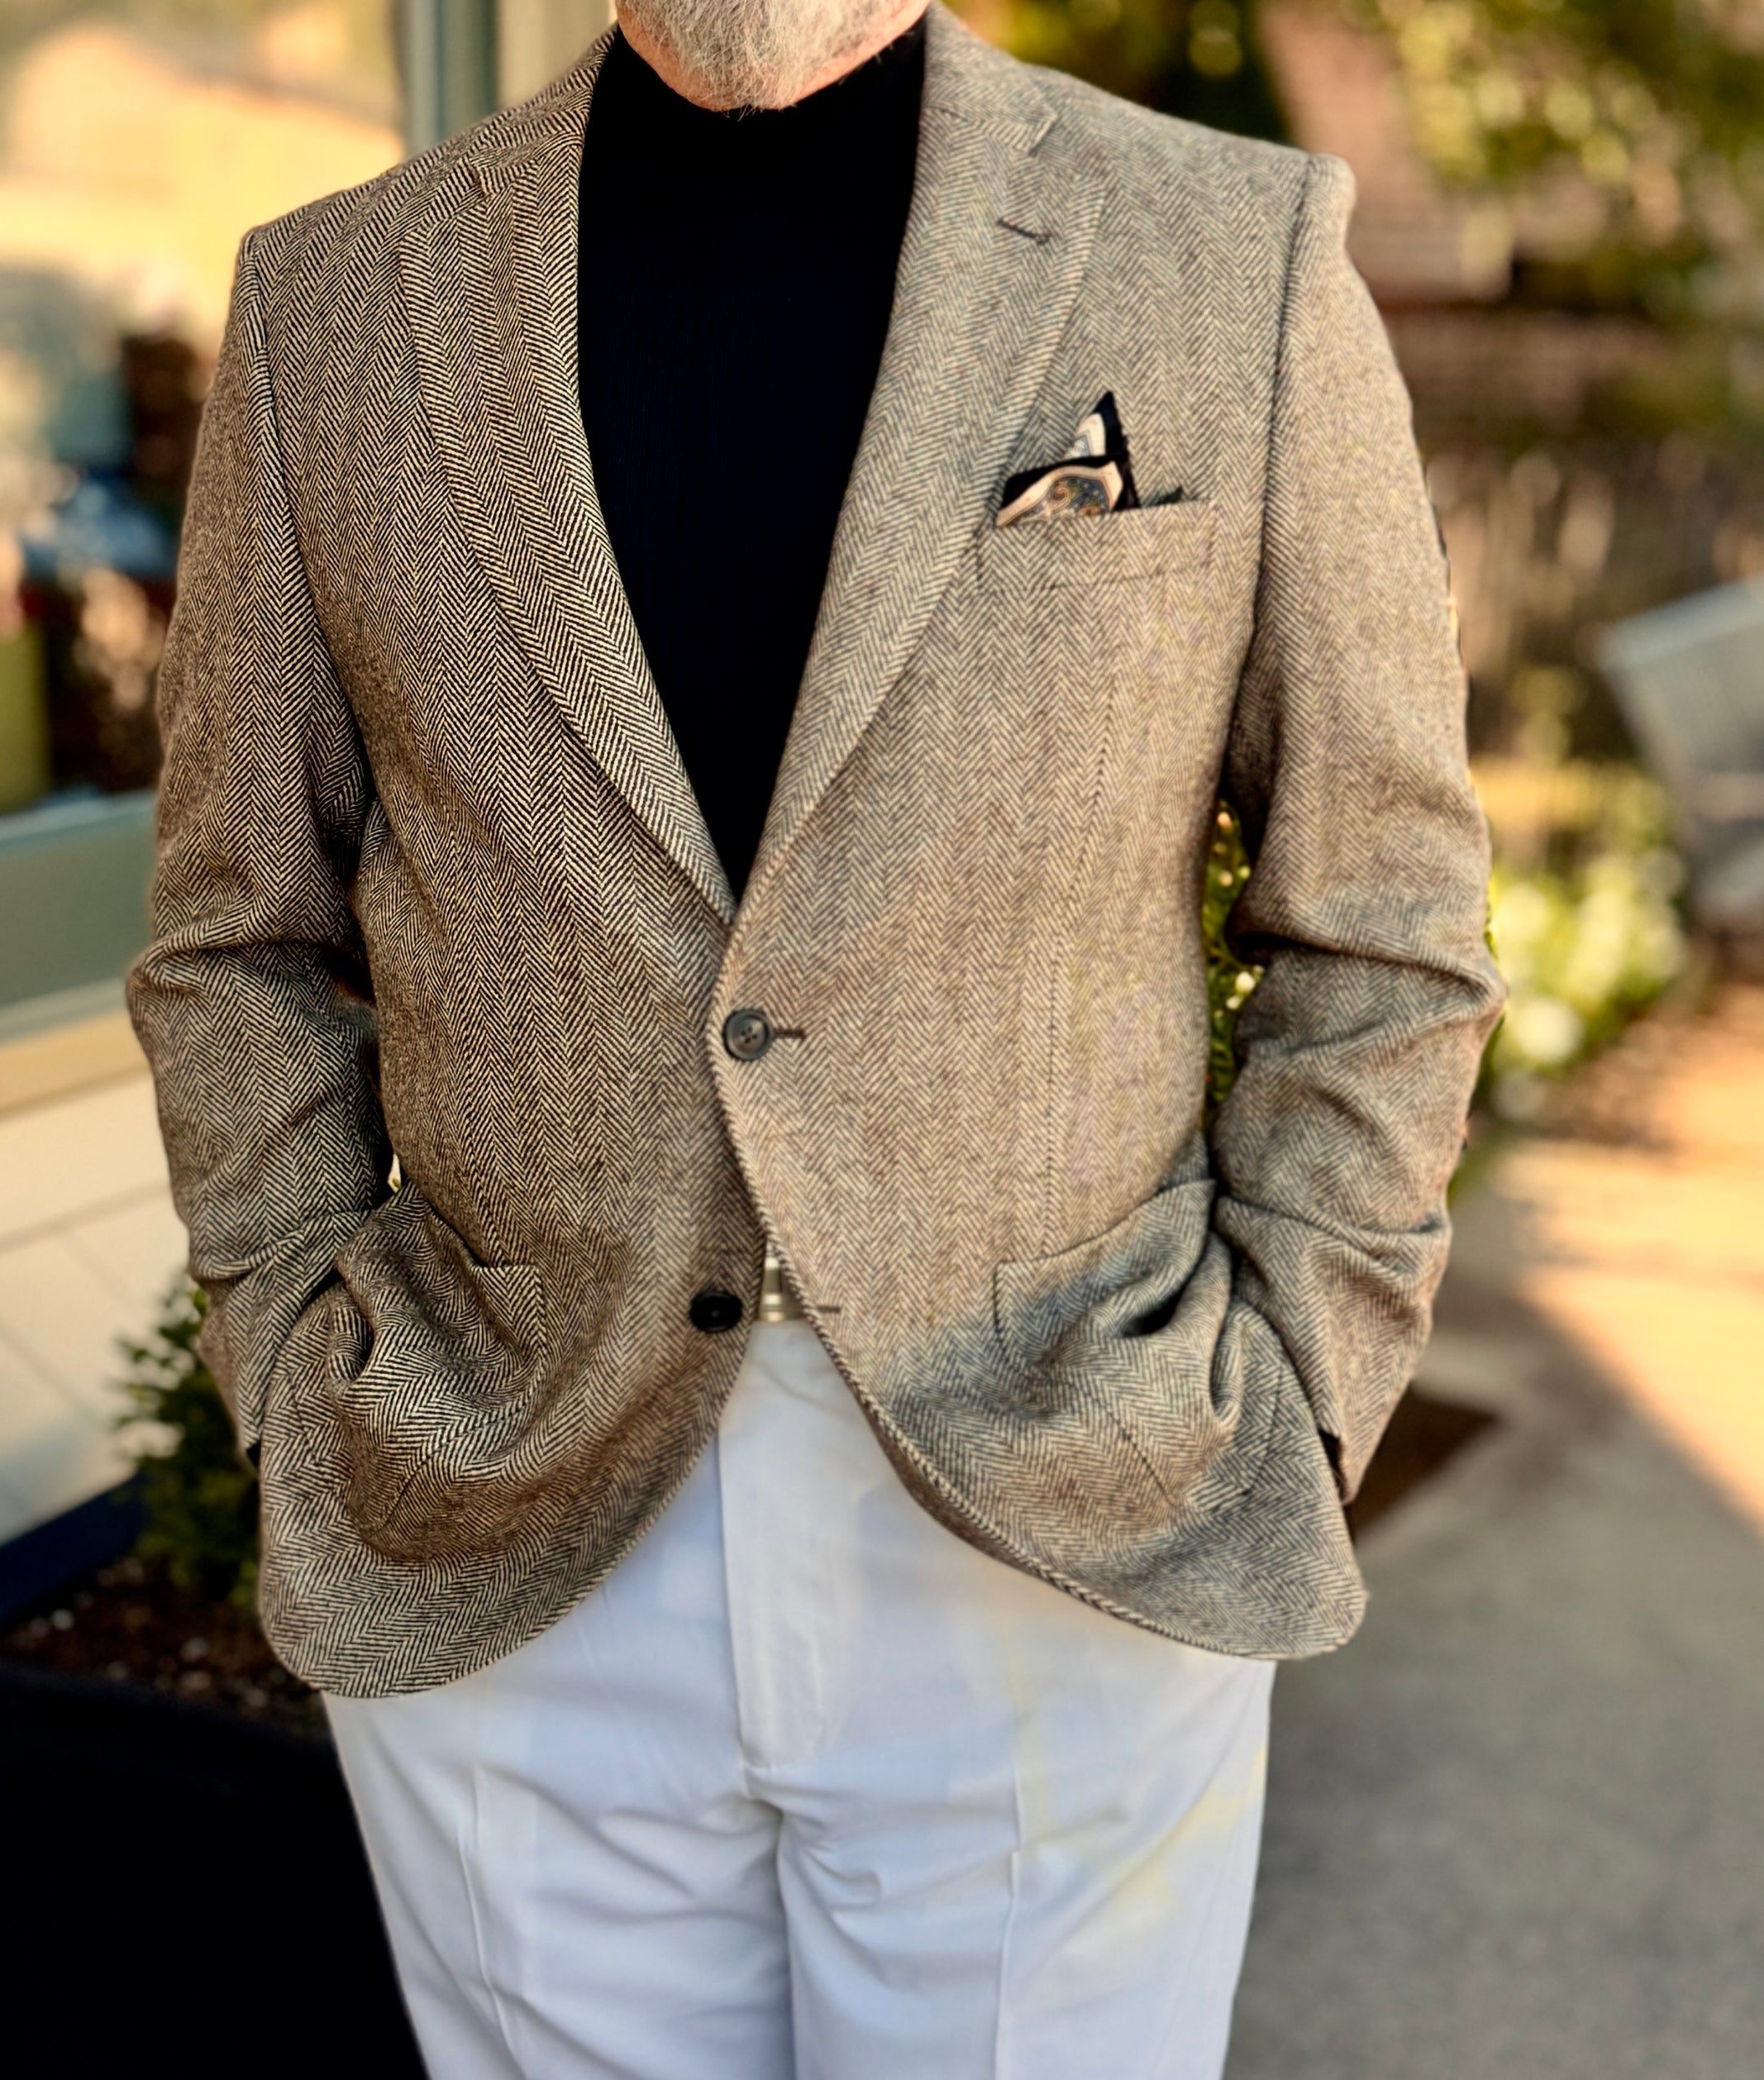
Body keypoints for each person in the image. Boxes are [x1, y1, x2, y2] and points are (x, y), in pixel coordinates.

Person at [127, 1, 1503, 2073]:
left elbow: (1381, 913)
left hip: (1069, 1491)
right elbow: (233, 927)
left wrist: (1290, 1379)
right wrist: (296, 1366)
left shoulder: (1230, 247)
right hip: (500, 1503)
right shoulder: (334, 301)